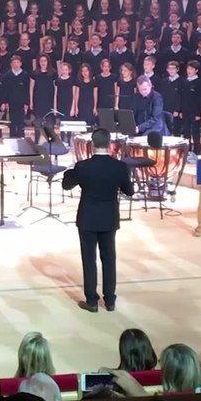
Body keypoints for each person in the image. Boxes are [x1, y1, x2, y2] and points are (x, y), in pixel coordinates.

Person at [61, 128, 135, 312]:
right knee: (109, 258)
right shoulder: (119, 167)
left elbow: (66, 185)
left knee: (89, 259)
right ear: (110, 144)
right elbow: (129, 191)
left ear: (92, 144)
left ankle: (92, 301)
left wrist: (69, 172)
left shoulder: (83, 166)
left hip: (87, 217)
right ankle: (110, 300)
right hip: (109, 217)